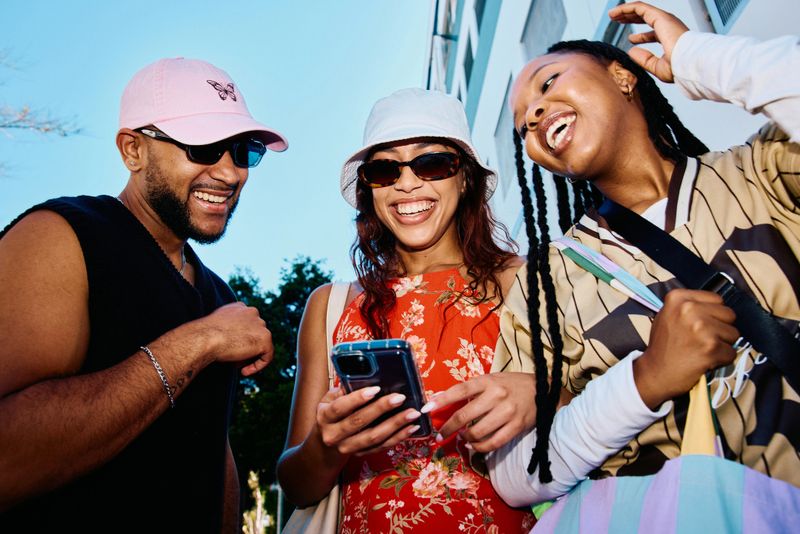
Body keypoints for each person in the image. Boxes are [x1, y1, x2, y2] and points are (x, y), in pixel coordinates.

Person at [485, 0, 800, 511]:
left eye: (547, 83)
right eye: (522, 126)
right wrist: (646, 380)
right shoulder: (548, 282)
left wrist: (697, 58)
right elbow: (517, 475)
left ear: (623, 76)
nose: (535, 115)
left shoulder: (765, 171)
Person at [0, 57, 287, 532]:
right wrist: (201, 341)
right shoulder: (63, 236)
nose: (231, 172)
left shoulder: (220, 296)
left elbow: (212, 451)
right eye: (204, 147)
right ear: (133, 150)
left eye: (243, 151)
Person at [276, 88, 538, 533]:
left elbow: (601, 402)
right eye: (384, 169)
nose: (407, 182)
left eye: (432, 162)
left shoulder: (524, 282)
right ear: (369, 189)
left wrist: (540, 395)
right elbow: (296, 486)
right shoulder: (329, 305)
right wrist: (328, 445)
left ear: (466, 178)